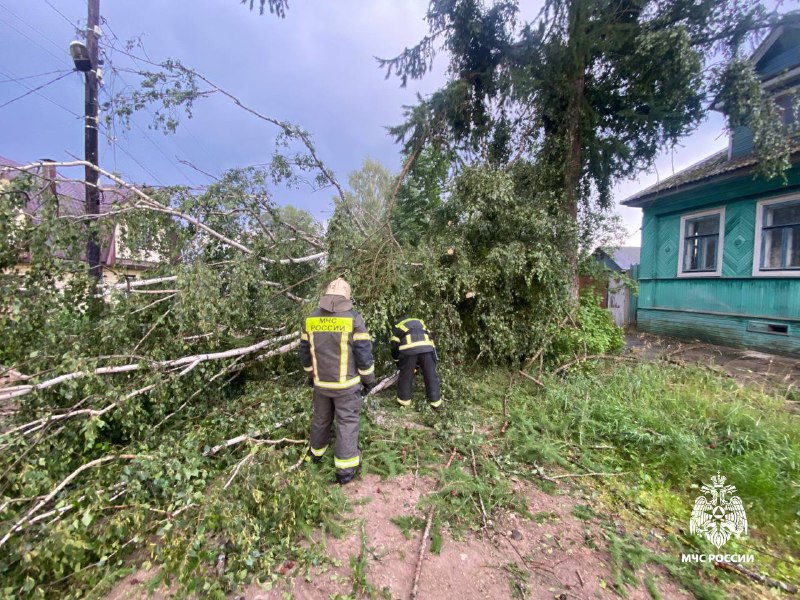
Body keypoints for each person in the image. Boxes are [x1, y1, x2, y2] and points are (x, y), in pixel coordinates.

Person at [299, 277, 375, 484]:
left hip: (321, 385)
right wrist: (369, 380)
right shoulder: (353, 319)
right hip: (347, 387)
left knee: (321, 419)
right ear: (347, 297)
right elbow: (363, 354)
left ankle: (315, 455)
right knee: (347, 423)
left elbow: (305, 354)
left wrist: (310, 376)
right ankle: (345, 470)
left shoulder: (310, 319)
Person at [390, 316, 443, 410]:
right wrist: (433, 359)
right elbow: (430, 339)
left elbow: (394, 347)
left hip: (408, 350)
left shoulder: (398, 327)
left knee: (406, 376)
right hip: (427, 348)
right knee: (431, 375)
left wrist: (398, 363)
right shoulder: (420, 322)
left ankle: (404, 402)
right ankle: (436, 404)